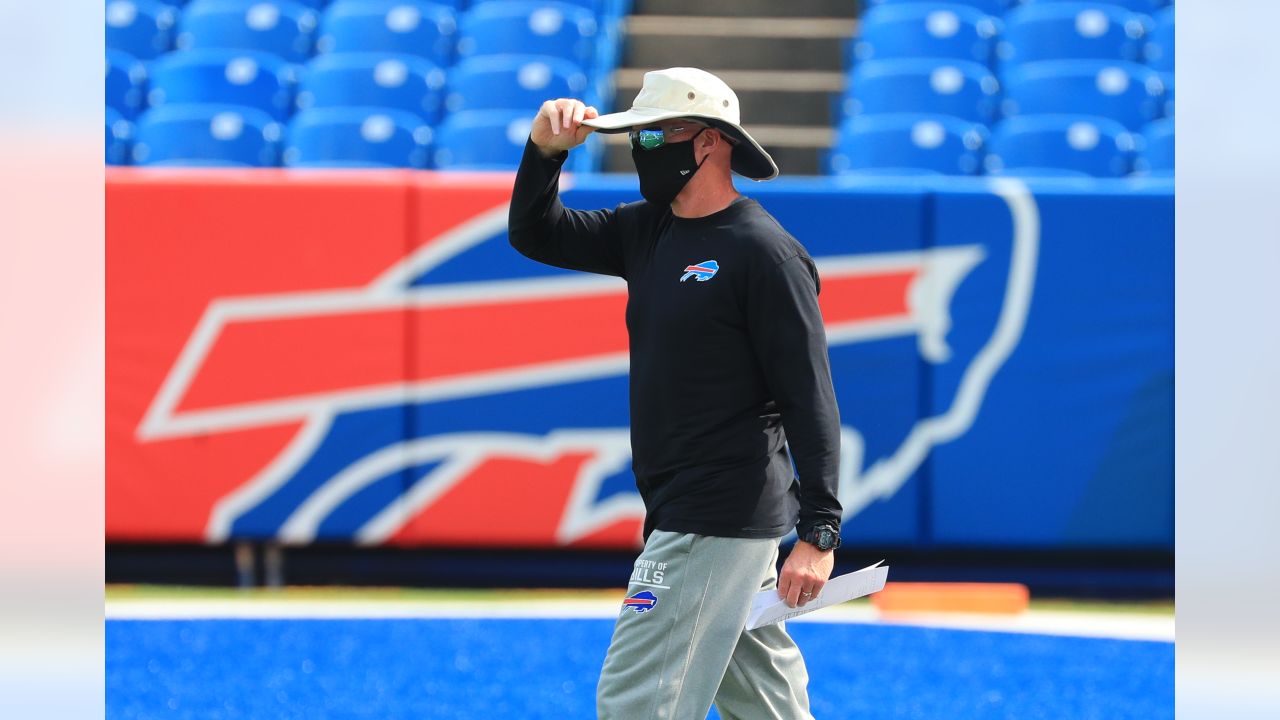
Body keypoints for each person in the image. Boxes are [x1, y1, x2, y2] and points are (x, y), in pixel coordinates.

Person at [507, 67, 843, 720]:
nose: (643, 147)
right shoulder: (647, 231)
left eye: (657, 133)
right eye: (639, 134)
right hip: (698, 517)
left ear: (712, 140)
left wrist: (820, 532)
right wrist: (544, 153)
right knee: (764, 704)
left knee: (635, 697)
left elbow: (810, 397)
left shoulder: (764, 253)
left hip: (712, 518)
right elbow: (535, 232)